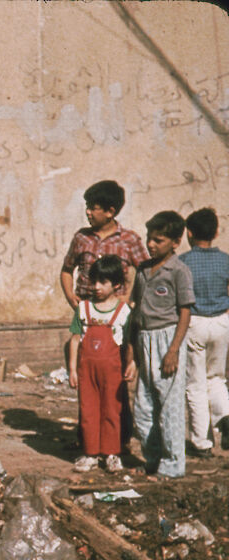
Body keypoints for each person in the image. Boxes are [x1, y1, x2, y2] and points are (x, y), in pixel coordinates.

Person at [131, 211, 195, 478]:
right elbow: (136, 309)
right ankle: (153, 457)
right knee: (143, 407)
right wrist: (133, 352)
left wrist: (173, 350)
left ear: (175, 242)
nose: (151, 244)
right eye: (149, 238)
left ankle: (172, 465)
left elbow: (185, 312)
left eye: (158, 240)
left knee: (169, 406)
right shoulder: (143, 270)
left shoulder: (179, 271)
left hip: (167, 338)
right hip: (144, 338)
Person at [67, 255, 133, 473]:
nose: (96, 287)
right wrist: (72, 370)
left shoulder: (123, 312)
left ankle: (111, 453)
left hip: (113, 373)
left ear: (116, 285)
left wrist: (131, 365)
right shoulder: (84, 309)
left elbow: (130, 343)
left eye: (102, 282)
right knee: (88, 411)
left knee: (112, 410)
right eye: (93, 281)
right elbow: (75, 340)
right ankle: (90, 453)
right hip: (87, 372)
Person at [180, 207, 229, 455]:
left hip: (195, 322)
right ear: (216, 232)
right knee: (217, 378)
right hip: (221, 321)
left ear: (189, 233)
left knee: (196, 384)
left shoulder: (184, 262)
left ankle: (202, 442)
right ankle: (225, 417)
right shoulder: (226, 260)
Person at [60, 180, 147, 308]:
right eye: (87, 207)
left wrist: (130, 297)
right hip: (86, 308)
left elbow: (146, 273)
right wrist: (70, 296)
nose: (88, 212)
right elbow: (67, 270)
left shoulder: (129, 239)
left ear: (110, 212)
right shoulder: (82, 238)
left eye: (93, 208)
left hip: (117, 312)